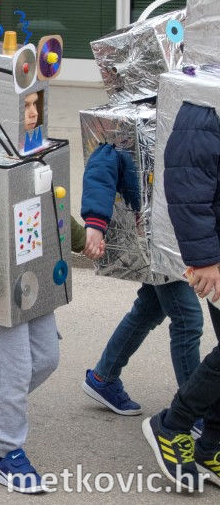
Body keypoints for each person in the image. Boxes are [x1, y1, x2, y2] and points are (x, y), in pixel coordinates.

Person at [0, 40, 90, 493]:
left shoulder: (30, 155)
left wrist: (82, 239)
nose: (32, 113)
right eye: (23, 105)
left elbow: (51, 209)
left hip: (33, 280)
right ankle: (9, 452)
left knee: (45, 359)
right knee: (13, 371)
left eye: (35, 103)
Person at [80, 144, 203, 419]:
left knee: (149, 308)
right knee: (188, 320)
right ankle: (193, 411)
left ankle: (103, 377)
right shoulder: (128, 129)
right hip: (158, 240)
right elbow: (101, 167)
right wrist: (96, 224)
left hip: (173, 234)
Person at [143, 99, 220, 489]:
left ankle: (210, 445)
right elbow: (187, 183)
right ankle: (173, 425)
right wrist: (206, 260)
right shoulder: (205, 103)